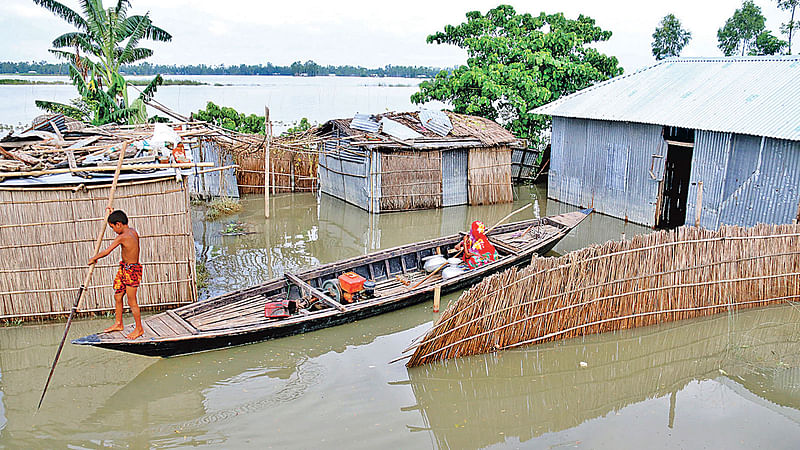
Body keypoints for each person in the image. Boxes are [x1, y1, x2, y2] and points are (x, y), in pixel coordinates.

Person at [88, 209, 143, 339]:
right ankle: (118, 323)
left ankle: (139, 328)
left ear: (118, 224)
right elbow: (119, 219)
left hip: (132, 270)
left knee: (132, 301)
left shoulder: (123, 237)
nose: (113, 231)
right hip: (124, 268)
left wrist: (94, 258)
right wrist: (112, 213)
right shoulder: (132, 231)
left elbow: (107, 251)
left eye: (113, 228)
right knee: (118, 296)